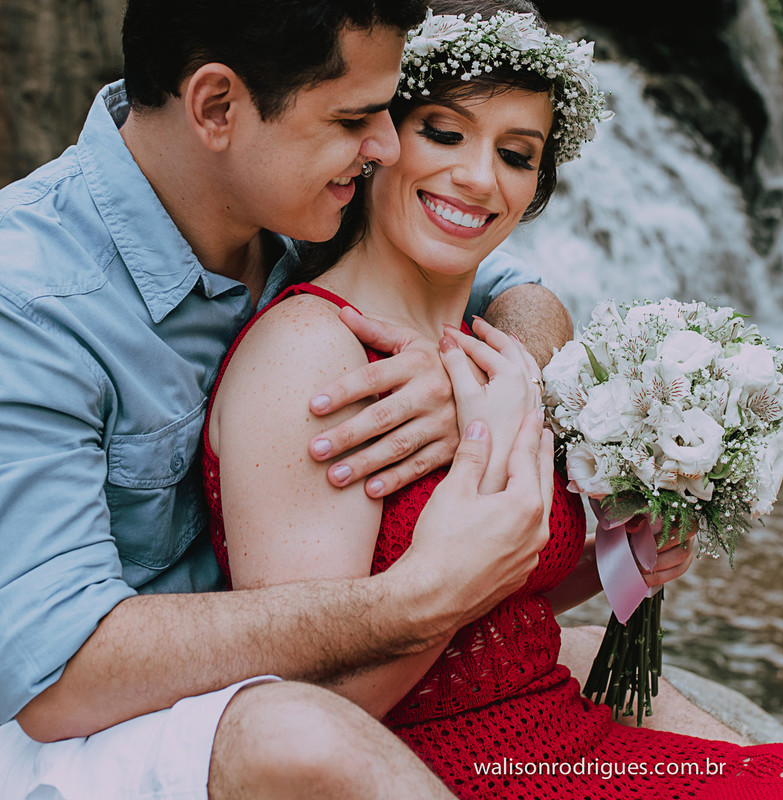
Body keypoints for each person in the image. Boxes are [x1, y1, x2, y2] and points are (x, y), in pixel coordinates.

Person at [206, 3, 783, 798]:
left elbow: (499, 624)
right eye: (445, 133)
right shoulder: (317, 354)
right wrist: (454, 566)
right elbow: (313, 713)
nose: (478, 177)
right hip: (437, 773)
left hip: (568, 743)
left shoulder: (497, 343)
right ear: (379, 139)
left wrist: (620, 561)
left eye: (517, 154)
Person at [0, 1, 578, 798]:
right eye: (354, 119)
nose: (383, 146)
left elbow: (519, 291)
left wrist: (487, 378)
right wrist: (416, 598)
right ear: (217, 107)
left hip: (293, 682)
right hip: (91, 731)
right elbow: (59, 669)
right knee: (303, 736)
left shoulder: (297, 198)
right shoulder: (27, 296)